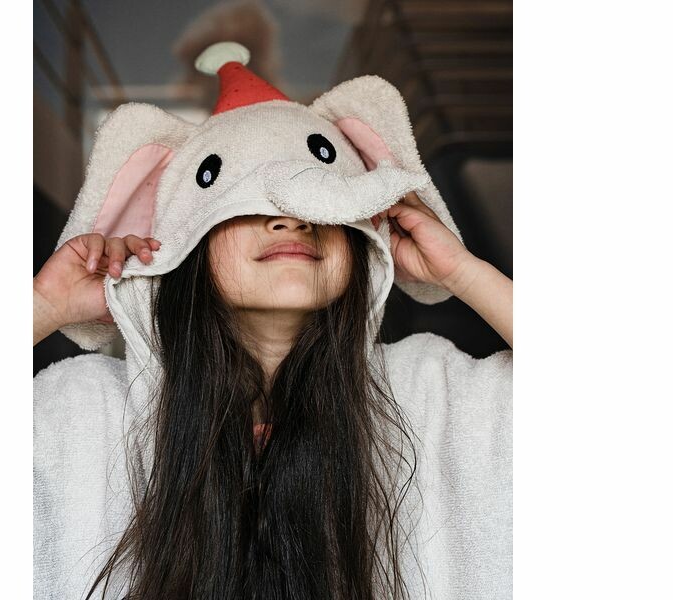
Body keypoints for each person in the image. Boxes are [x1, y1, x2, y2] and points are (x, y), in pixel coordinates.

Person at [34, 40, 512, 600]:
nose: (290, 219)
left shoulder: (430, 389)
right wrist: (44, 307)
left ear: (361, 236)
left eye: (317, 199)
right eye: (246, 202)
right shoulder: (85, 407)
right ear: (183, 242)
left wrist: (462, 270)